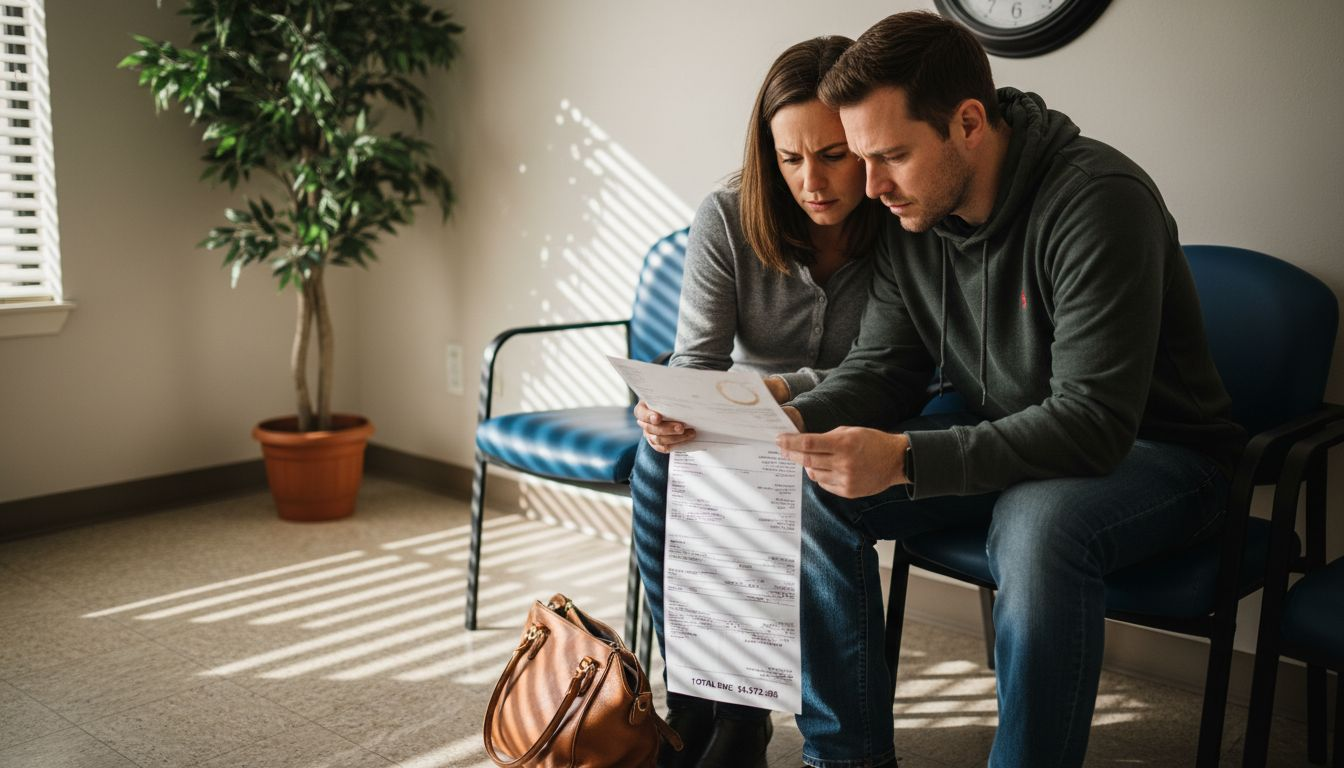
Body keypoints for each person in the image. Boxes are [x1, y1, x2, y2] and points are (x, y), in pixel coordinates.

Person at [771, 12, 1247, 768]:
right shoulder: (909, 214)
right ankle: (844, 758)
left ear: (967, 123)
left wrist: (904, 461)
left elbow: (1091, 423)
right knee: (815, 486)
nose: (871, 186)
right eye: (863, 158)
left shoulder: (1099, 200)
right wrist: (786, 416)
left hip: (1162, 456)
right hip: (1008, 435)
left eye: (891, 154)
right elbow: (885, 365)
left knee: (1037, 522)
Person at [630, 36, 884, 768]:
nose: (813, 180)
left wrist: (781, 391)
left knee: (800, 484)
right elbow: (698, 359)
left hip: (855, 415)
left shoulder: (900, 220)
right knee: (655, 466)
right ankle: (712, 706)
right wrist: (670, 408)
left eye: (834, 154)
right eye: (789, 158)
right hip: (744, 413)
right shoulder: (727, 213)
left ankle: (756, 712)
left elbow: (888, 369)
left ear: (865, 142)